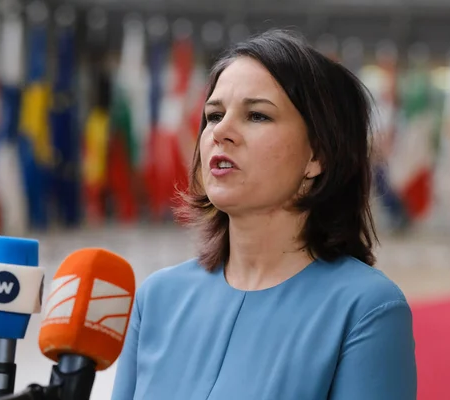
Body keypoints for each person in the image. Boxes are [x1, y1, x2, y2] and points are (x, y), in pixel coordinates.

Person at [111, 29, 417, 400]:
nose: (221, 131)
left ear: (317, 155)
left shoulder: (366, 309)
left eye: (256, 115)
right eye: (213, 114)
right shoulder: (157, 298)